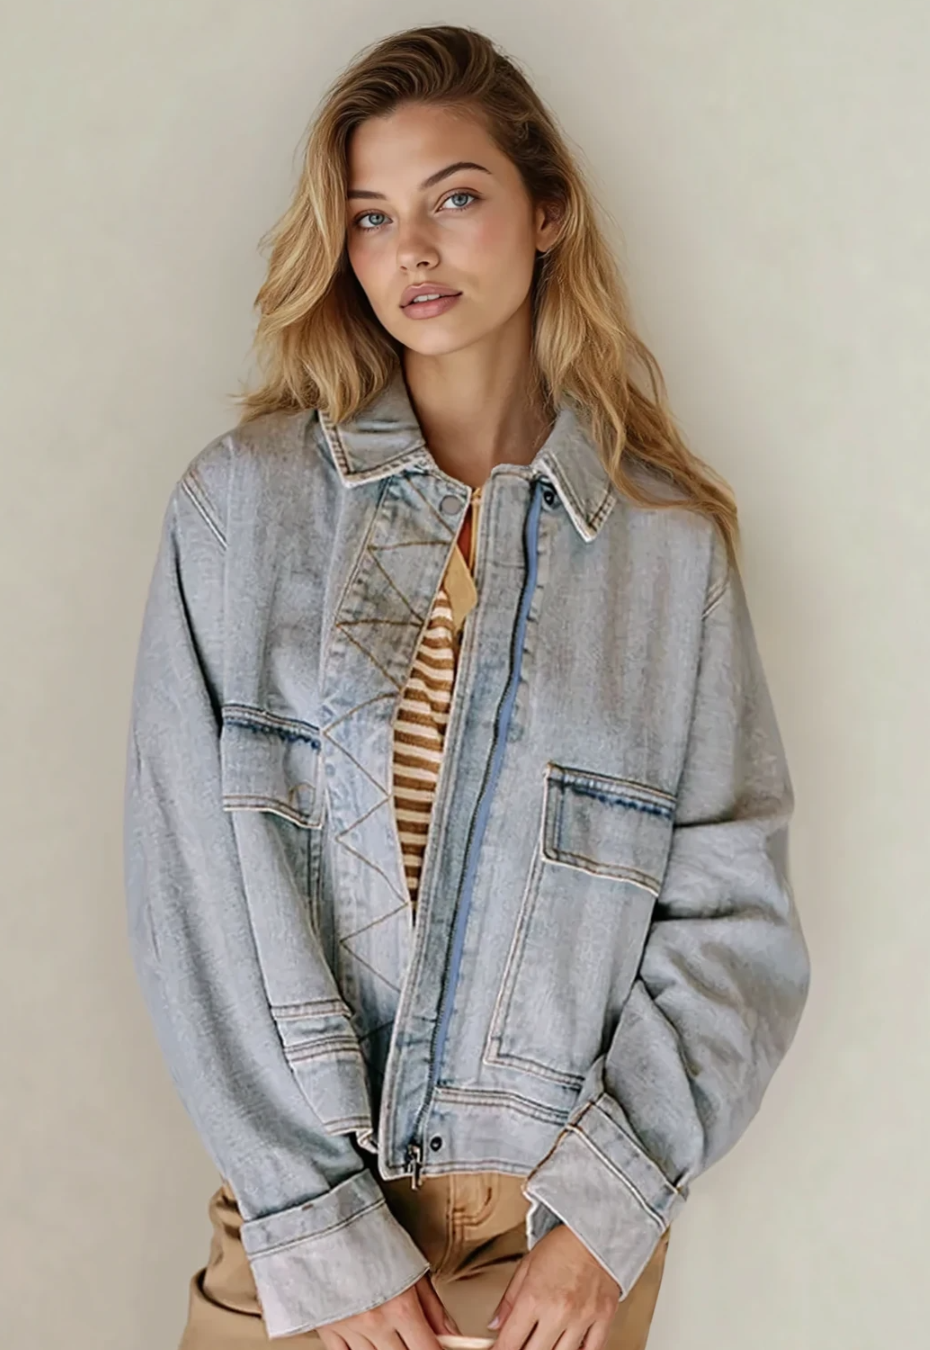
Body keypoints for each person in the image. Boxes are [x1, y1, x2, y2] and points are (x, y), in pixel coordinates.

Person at [122, 22, 812, 1350]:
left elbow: (737, 919)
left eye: (455, 198)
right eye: (372, 217)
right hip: (302, 1222)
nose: (413, 252)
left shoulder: (664, 554)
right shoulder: (240, 511)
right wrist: (320, 1223)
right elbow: (186, 894)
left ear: (547, 211)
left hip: (554, 1243)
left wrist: (605, 1217)